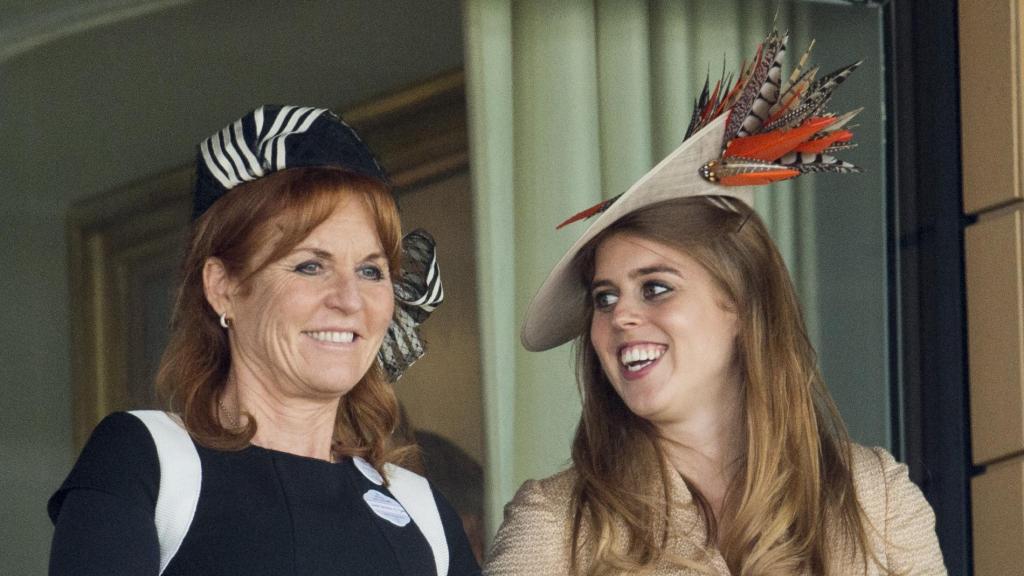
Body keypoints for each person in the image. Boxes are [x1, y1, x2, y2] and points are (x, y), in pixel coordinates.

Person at [485, 30, 946, 576]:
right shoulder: (556, 523)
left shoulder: (877, 498)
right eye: (604, 298)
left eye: (655, 287)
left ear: (741, 306)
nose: (619, 317)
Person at [49, 105, 480, 576]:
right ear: (223, 288)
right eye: (310, 265)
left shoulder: (421, 511)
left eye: (370, 271)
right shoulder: (147, 462)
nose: (350, 300)